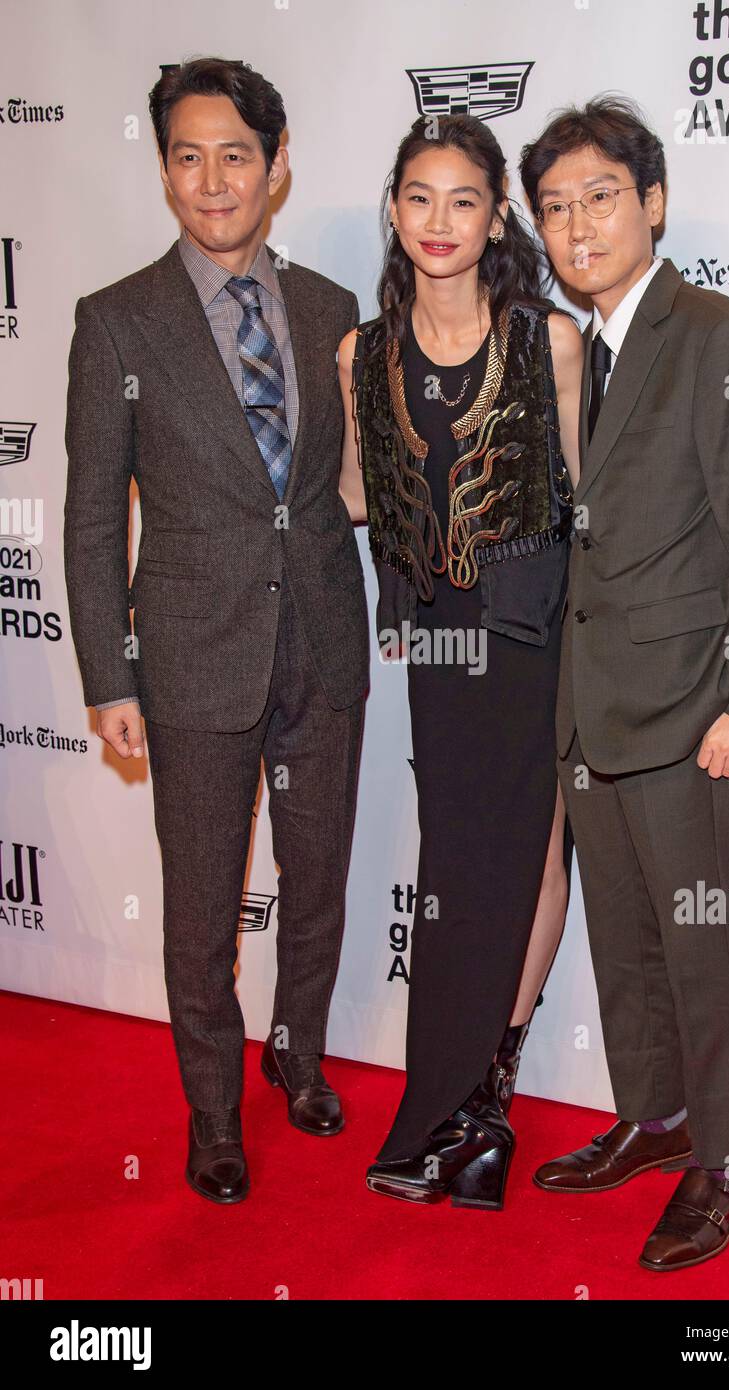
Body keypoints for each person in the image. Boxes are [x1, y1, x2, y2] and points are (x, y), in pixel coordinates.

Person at [63, 58, 369, 1205]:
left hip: (324, 640)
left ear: (277, 167)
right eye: (187, 155)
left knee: (321, 877)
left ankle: (299, 1052)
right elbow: (93, 513)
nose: (212, 178)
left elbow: (346, 484)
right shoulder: (117, 321)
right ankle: (211, 1114)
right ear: (162, 171)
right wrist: (109, 673)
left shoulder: (333, 310)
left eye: (235, 154)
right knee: (199, 909)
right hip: (190, 658)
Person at [519, 95, 729, 1268]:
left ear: (650, 203)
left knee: (696, 944)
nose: (575, 224)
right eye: (551, 206)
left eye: (598, 196)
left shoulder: (711, 333)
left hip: (693, 707)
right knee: (624, 940)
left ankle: (723, 1160)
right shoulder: (570, 344)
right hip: (592, 705)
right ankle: (652, 1119)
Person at [337, 114, 583, 1209]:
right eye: (419, 198)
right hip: (439, 634)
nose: (440, 222)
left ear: (494, 219)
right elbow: (352, 493)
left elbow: (583, 496)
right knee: (453, 861)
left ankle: (480, 1097)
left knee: (530, 852)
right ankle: (453, 1109)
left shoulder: (548, 340)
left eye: (464, 201)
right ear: (394, 209)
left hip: (534, 631)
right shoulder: (361, 352)